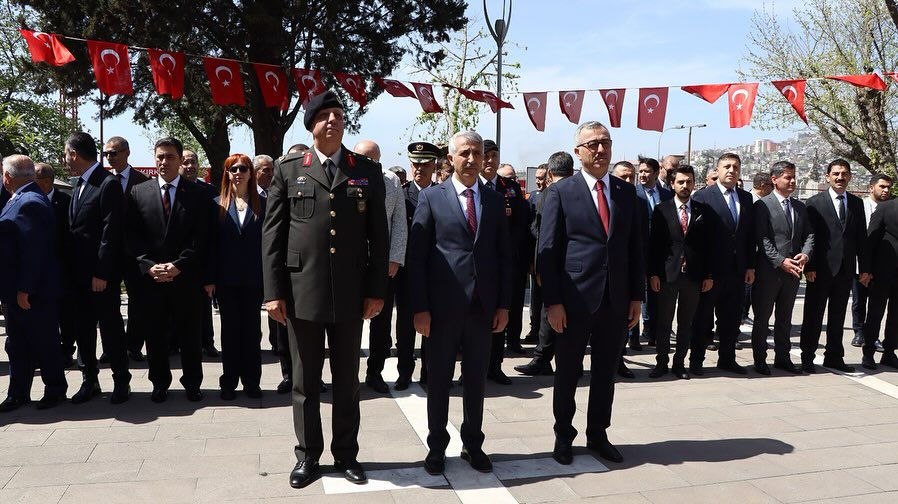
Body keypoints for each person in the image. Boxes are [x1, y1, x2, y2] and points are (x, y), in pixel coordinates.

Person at [262, 91, 388, 489]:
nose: (333, 121)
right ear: (311, 125)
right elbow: (273, 237)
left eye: (338, 115)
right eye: (324, 116)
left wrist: (376, 289)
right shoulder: (288, 169)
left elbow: (378, 237)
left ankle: (346, 454)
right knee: (305, 382)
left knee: (348, 381)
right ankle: (308, 456)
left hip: (351, 293)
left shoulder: (364, 170)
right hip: (302, 293)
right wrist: (273, 292)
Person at [538, 121, 644, 465]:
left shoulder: (627, 192)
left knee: (604, 373)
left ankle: (598, 434)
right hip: (573, 300)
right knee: (567, 372)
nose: (600, 150)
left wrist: (636, 297)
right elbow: (548, 251)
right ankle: (563, 436)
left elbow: (634, 249)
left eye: (606, 143)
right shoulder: (561, 192)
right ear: (578, 152)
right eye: (593, 144)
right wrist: (553, 302)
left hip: (615, 300)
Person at [407, 130, 511, 475]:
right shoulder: (432, 198)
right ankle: (436, 447)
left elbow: (503, 257)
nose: (471, 159)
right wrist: (419, 308)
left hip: (482, 309)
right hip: (441, 309)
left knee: (476, 381)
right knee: (438, 381)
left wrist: (504, 305)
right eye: (464, 153)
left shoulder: (494, 200)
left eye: (477, 153)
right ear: (449, 159)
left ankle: (473, 444)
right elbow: (417, 256)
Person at [126, 137, 211, 403]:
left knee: (190, 335)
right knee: (155, 334)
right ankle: (160, 382)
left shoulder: (197, 194)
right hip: (152, 281)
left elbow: (202, 237)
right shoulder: (139, 192)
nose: (164, 162)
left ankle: (192, 383)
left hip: (185, 279)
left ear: (179, 159)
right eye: (160, 157)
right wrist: (149, 266)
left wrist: (179, 265)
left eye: (170, 157)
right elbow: (132, 236)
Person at [64, 132, 132, 404]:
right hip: (77, 277)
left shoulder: (107, 184)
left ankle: (120, 381)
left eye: (66, 154)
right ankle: (88, 379)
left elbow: (110, 232)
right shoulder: (79, 184)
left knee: (110, 328)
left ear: (74, 154)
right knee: (83, 330)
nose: (65, 160)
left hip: (99, 277)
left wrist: (102, 273)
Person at [0, 155, 67, 412]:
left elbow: (34, 251)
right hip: (17, 288)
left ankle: (54, 390)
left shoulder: (30, 202)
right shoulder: (21, 198)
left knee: (43, 341)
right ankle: (18, 393)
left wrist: (25, 288)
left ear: (8, 176)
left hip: (31, 291)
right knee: (17, 344)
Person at [204, 154, 265, 400]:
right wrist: (209, 279)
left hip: (254, 279)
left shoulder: (265, 203)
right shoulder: (216, 204)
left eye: (243, 169)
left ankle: (252, 382)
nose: (238, 173)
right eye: (232, 169)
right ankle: (228, 382)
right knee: (229, 333)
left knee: (252, 332)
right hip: (226, 281)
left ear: (251, 173)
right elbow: (209, 245)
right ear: (227, 174)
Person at [690, 153, 756, 375]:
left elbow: (748, 236)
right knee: (702, 318)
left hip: (737, 271)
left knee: (730, 319)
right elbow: (697, 239)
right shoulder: (702, 197)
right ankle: (696, 360)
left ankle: (727, 359)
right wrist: (704, 272)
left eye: (735, 167)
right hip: (711, 272)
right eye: (726, 166)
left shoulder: (746, 199)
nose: (731, 170)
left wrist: (750, 266)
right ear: (717, 170)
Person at [799, 159, 866, 373]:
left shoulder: (856, 203)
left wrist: (864, 268)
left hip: (845, 271)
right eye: (835, 173)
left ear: (850, 177)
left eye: (844, 174)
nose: (840, 177)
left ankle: (834, 356)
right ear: (827, 176)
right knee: (813, 316)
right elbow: (810, 237)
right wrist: (809, 266)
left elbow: (861, 238)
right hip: (819, 270)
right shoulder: (814, 202)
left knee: (837, 317)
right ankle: (807, 357)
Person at [647, 165, 713, 380]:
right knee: (664, 322)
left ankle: (679, 363)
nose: (685, 186)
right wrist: (654, 274)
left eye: (689, 182)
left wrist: (708, 275)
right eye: (681, 182)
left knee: (686, 323)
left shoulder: (703, 210)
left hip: (693, 277)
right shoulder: (661, 210)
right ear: (672, 184)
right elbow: (654, 246)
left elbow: (707, 247)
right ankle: (661, 363)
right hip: (667, 275)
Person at [354, 140, 407, 394]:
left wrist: (395, 257)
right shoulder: (344, 175)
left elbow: (398, 221)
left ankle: (375, 371)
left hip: (381, 262)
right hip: (350, 261)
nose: (368, 163)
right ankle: (347, 372)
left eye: (373, 159)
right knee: (348, 321)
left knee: (381, 320)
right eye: (363, 158)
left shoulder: (391, 181)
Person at [751, 161, 813, 375]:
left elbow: (809, 235)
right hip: (770, 272)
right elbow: (763, 239)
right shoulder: (762, 205)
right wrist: (780, 261)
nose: (792, 181)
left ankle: (783, 357)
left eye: (794, 176)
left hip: (794, 271)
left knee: (785, 318)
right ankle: (760, 359)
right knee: (762, 317)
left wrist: (805, 254)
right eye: (787, 177)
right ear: (774, 179)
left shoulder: (799, 207)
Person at [515, 152, 574, 376]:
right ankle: (568, 363)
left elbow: (542, 235)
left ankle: (542, 358)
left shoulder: (548, 194)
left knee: (548, 313)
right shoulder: (581, 193)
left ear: (550, 173)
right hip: (577, 267)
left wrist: (539, 267)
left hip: (552, 265)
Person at [480, 139, 530, 385]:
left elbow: (522, 223)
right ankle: (472, 366)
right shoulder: (469, 185)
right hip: (475, 266)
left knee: (500, 314)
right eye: (485, 155)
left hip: (503, 264)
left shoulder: (509, 187)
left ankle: (495, 366)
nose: (490, 161)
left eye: (494, 156)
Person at [394, 141, 441, 389]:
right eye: (415, 164)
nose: (419, 169)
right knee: (405, 325)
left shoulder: (444, 194)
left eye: (424, 164)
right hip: (407, 272)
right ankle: (404, 371)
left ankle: (429, 371)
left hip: (435, 272)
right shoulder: (401, 195)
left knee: (433, 324)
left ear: (434, 166)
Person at [104, 136, 152, 363]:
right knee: (108, 301)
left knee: (139, 302)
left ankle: (134, 345)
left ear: (126, 152)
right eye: (106, 154)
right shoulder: (103, 180)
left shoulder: (143, 181)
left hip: (135, 253)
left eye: (113, 153)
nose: (109, 158)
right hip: (109, 252)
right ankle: (110, 346)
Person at [34, 163, 76, 368]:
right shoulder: (29, 201)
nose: (34, 183)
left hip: (62, 268)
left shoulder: (65, 201)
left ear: (48, 180)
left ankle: (67, 350)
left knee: (66, 314)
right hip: (39, 271)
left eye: (37, 179)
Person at [181, 149, 221, 359]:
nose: (189, 166)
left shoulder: (210, 191)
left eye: (193, 162)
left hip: (202, 257)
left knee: (204, 305)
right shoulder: (173, 189)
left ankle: (208, 342)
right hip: (177, 259)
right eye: (185, 162)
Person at [634, 156, 673, 348]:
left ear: (657, 173)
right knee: (636, 291)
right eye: (640, 171)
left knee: (657, 292)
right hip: (639, 251)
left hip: (660, 253)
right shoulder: (633, 194)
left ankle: (654, 331)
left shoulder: (666, 195)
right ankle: (633, 337)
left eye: (647, 171)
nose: (642, 174)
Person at [851, 174, 892, 349]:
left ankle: (872, 335)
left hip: (882, 264)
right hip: (861, 262)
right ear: (871, 187)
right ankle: (859, 332)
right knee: (859, 300)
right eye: (882, 186)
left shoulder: (891, 208)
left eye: (888, 187)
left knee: (877, 303)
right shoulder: (861, 206)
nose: (885, 190)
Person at [860, 191, 898, 370]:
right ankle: (868, 353)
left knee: (896, 316)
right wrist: (866, 269)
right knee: (875, 313)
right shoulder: (885, 207)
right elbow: (870, 240)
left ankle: (889, 352)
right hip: (881, 273)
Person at [524, 163, 548, 345]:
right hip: (534, 254)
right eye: (537, 178)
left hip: (551, 256)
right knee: (535, 298)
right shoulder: (532, 197)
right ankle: (534, 329)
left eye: (542, 178)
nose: (539, 181)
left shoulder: (557, 196)